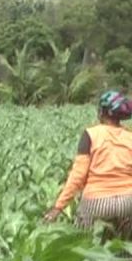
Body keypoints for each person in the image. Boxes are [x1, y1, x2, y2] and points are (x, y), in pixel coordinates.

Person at [45, 90, 132, 236]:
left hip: (97, 202)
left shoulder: (91, 134)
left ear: (103, 112)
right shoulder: (129, 136)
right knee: (124, 251)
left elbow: (78, 176)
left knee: (86, 247)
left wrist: (58, 207)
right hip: (128, 201)